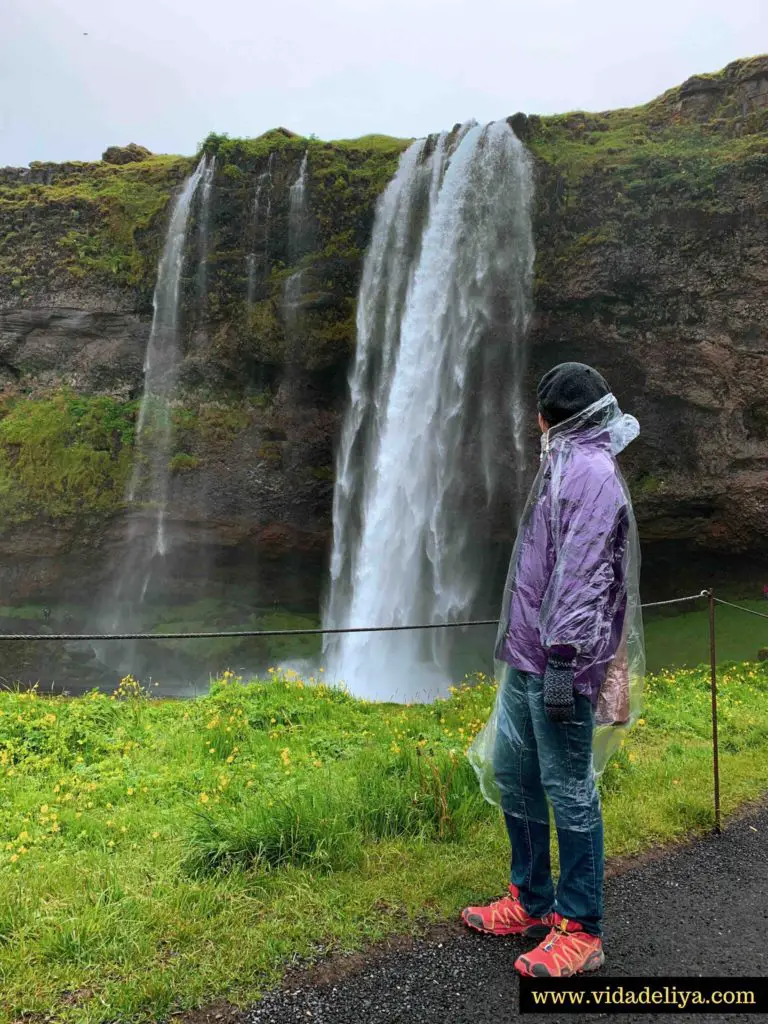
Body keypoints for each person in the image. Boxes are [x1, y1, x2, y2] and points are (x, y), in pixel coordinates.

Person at [463, 362, 644, 978]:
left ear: (550, 417)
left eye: (537, 413)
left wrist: (564, 664)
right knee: (515, 770)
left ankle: (582, 927)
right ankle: (532, 899)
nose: (533, 422)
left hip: (560, 660)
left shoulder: (589, 474)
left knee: (568, 785)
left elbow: (585, 577)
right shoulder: (563, 463)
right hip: (528, 652)